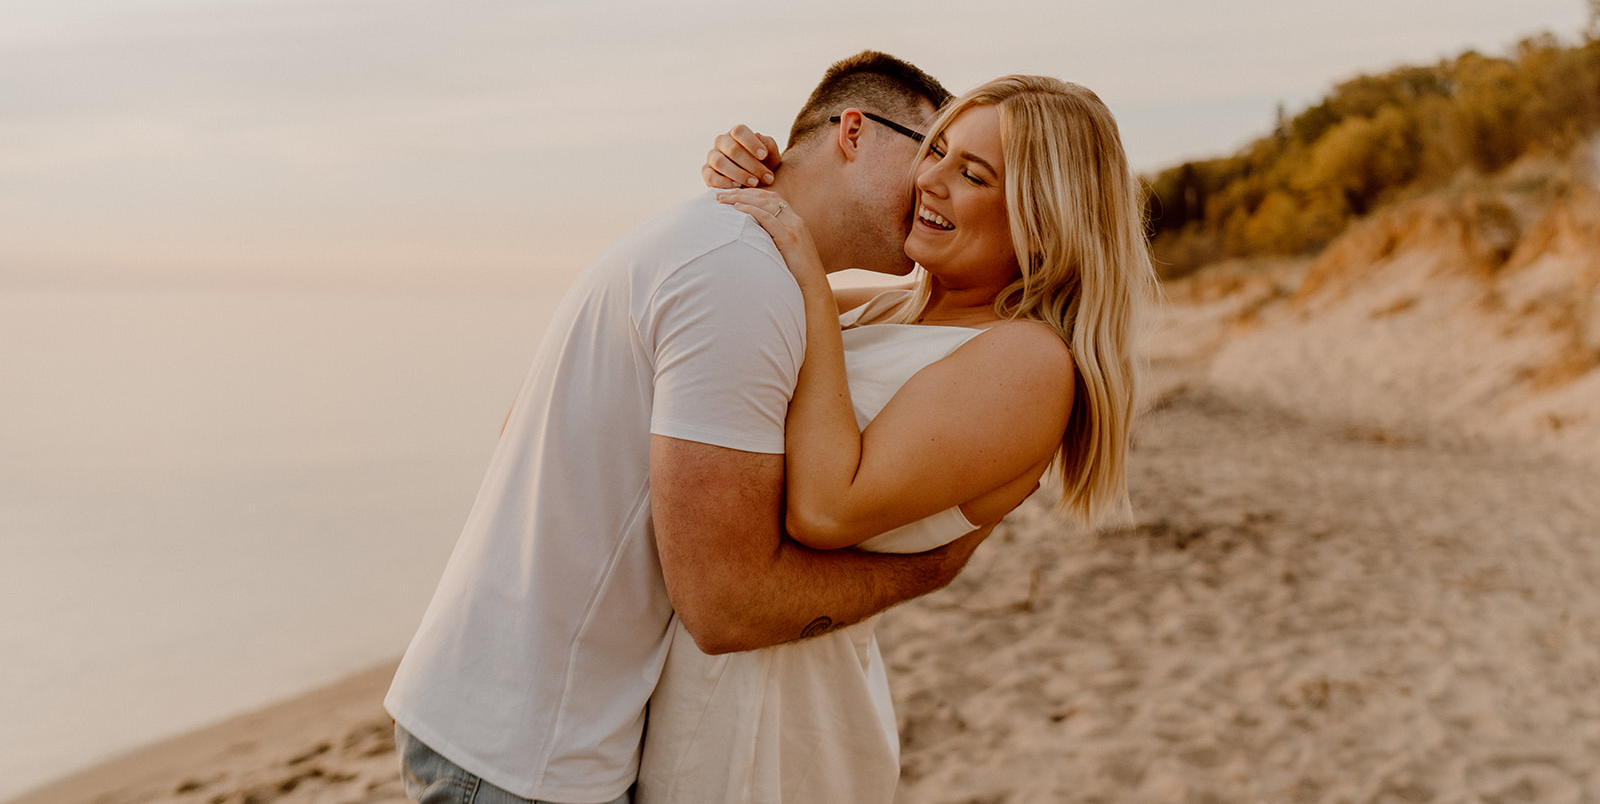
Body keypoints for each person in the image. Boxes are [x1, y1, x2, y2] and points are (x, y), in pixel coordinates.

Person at [384, 51, 998, 804]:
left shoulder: (719, 244)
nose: (937, 183)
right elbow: (725, 604)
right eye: (930, 149)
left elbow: (520, 425)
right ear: (853, 132)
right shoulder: (739, 276)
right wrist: (922, 571)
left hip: (506, 718)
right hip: (528, 748)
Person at [637, 75, 1154, 803]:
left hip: (778, 728)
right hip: (703, 675)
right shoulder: (887, 306)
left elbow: (825, 507)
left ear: (1043, 218)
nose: (929, 179)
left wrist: (811, 286)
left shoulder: (1030, 361)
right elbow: (708, 316)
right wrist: (752, 174)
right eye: (936, 150)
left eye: (972, 173)